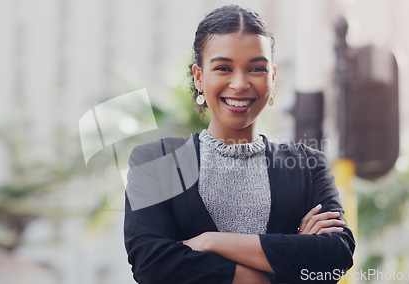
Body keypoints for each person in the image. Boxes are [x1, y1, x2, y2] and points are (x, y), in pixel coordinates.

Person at [124, 5, 355, 284]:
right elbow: (151, 264)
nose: (239, 83)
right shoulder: (156, 161)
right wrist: (284, 263)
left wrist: (212, 241)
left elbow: (336, 256)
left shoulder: (308, 165)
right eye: (223, 68)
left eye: (256, 68)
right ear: (199, 77)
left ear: (272, 77)